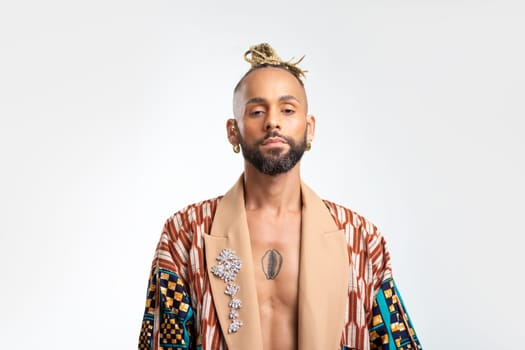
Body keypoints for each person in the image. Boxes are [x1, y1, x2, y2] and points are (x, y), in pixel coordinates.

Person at [138, 43, 422, 350]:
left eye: (287, 110)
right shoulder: (186, 233)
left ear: (309, 128)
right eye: (257, 111)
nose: (273, 121)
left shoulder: (362, 239)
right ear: (233, 131)